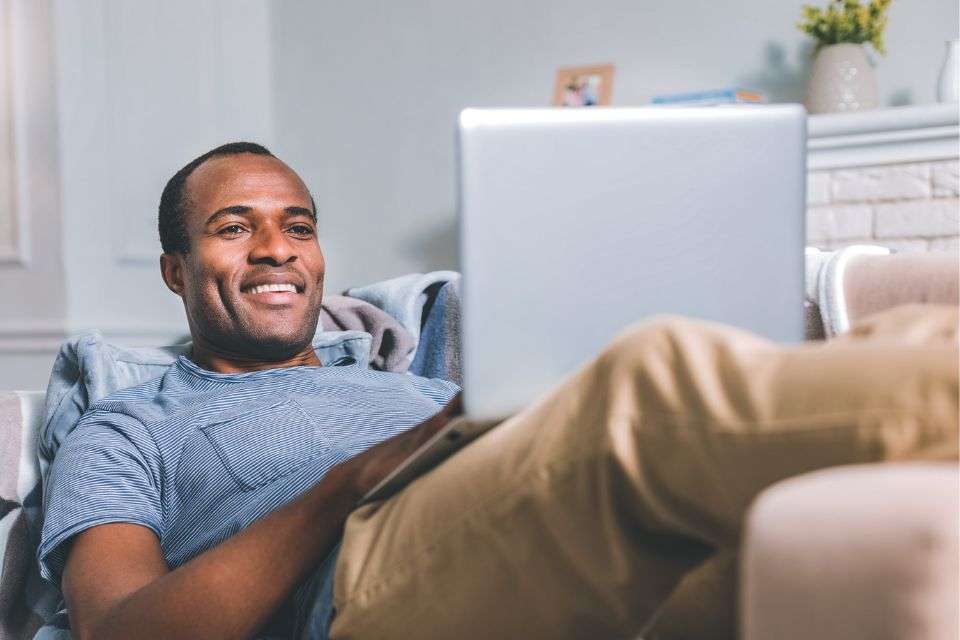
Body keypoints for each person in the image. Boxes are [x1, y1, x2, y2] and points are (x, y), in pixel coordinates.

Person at [38, 142, 958, 640]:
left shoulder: (401, 373)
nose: (277, 249)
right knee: (646, 376)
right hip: (360, 570)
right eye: (235, 228)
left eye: (299, 226)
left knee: (799, 551)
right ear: (174, 269)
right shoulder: (127, 424)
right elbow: (120, 633)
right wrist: (350, 483)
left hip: (512, 501)